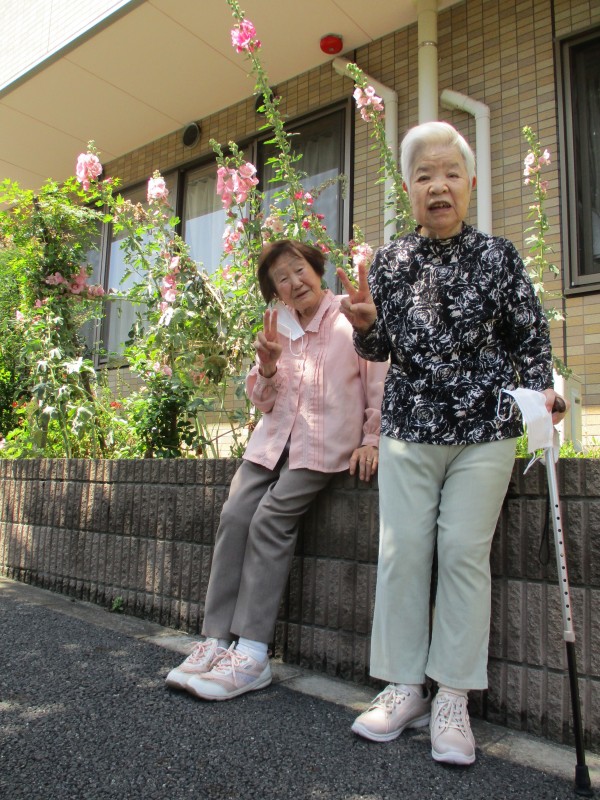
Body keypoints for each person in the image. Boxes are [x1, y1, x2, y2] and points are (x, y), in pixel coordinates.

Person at [337, 121, 568, 765]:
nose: (438, 186)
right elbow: (379, 349)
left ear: (470, 183)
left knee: (463, 553)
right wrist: (366, 327)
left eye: (449, 174)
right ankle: (404, 686)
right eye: (424, 176)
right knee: (402, 552)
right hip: (409, 427)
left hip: (485, 429)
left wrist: (542, 394)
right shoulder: (391, 262)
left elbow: (529, 339)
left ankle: (454, 696)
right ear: (408, 188)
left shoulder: (500, 256)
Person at [166, 239, 388, 701]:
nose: (294, 282)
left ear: (317, 268)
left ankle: (252, 652)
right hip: (272, 443)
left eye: (299, 269)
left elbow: (378, 380)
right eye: (281, 279)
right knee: (234, 515)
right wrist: (266, 369)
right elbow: (264, 403)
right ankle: (216, 640)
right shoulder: (279, 327)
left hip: (322, 445)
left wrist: (372, 439)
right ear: (275, 292)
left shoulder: (348, 315)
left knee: (269, 520)